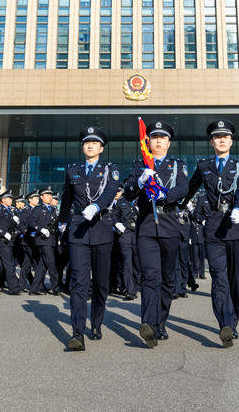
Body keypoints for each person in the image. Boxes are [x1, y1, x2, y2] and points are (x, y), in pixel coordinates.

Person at [184, 119, 239, 348]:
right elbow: (190, 188)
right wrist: (177, 202)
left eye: (226, 136)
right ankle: (225, 323)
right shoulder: (204, 166)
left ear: (231, 141)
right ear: (211, 141)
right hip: (213, 228)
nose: (222, 140)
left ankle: (234, 320)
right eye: (217, 137)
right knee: (219, 277)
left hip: (235, 228)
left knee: (235, 280)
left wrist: (238, 209)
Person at [123, 120, 189, 348]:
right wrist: (141, 180)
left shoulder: (178, 165)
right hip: (147, 227)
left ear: (168, 142)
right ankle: (148, 324)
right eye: (154, 138)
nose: (158, 141)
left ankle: (161, 322)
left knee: (167, 278)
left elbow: (183, 188)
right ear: (147, 141)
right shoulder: (140, 164)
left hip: (169, 225)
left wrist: (165, 195)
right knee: (150, 276)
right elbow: (128, 193)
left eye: (163, 138)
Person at [58, 126, 120, 351]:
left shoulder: (109, 169)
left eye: (94, 143)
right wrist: (62, 222)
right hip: (79, 231)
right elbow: (66, 197)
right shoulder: (72, 170)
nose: (90, 146)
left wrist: (96, 206)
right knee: (78, 282)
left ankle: (96, 323)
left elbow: (110, 191)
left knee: (102, 283)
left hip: (102, 229)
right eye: (86, 143)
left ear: (101, 148)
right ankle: (77, 333)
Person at [29, 187, 62, 296]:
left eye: (50, 195)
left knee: (42, 266)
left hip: (52, 240)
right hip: (43, 240)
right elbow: (31, 222)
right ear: (42, 197)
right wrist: (40, 229)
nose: (50, 196)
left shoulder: (53, 209)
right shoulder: (38, 209)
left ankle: (34, 289)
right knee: (52, 264)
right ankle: (56, 288)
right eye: (47, 195)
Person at [111, 187, 139, 300]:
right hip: (125, 235)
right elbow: (114, 216)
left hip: (138, 235)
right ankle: (130, 290)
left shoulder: (141, 200)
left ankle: (137, 285)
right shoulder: (121, 202)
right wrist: (117, 224)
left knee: (137, 263)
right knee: (127, 263)